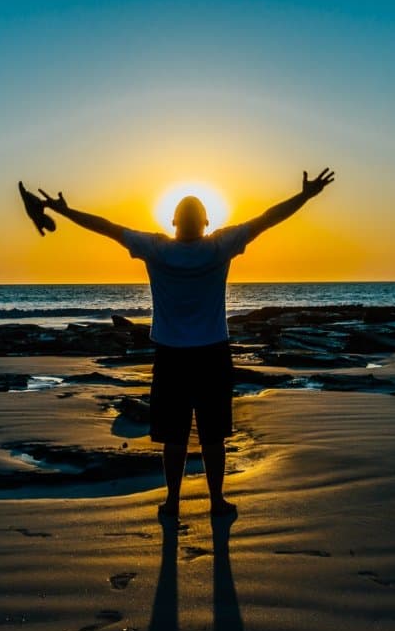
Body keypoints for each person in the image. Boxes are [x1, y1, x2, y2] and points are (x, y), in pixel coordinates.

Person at [18, 169, 335, 518]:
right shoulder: (219, 246)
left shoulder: (157, 248)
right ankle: (216, 502)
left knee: (174, 436)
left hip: (171, 356)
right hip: (212, 353)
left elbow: (106, 228)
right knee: (214, 436)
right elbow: (267, 219)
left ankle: (173, 502)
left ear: (173, 222)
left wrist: (66, 212)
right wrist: (305, 196)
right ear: (206, 222)